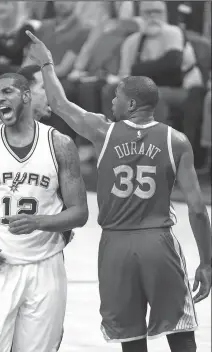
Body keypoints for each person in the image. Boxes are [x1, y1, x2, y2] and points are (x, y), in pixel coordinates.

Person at [25, 30, 212, 352]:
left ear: (133, 103)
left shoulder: (103, 132)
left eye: (117, 97)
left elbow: (58, 103)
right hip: (159, 242)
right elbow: (197, 208)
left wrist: (46, 64)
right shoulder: (176, 141)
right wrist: (207, 262)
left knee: (129, 337)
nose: (112, 101)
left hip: (115, 246)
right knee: (180, 334)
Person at [0, 72, 88, 352]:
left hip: (45, 266)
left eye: (7, 92)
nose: (0, 98)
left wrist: (39, 221)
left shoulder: (60, 145)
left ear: (26, 96)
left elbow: (80, 213)